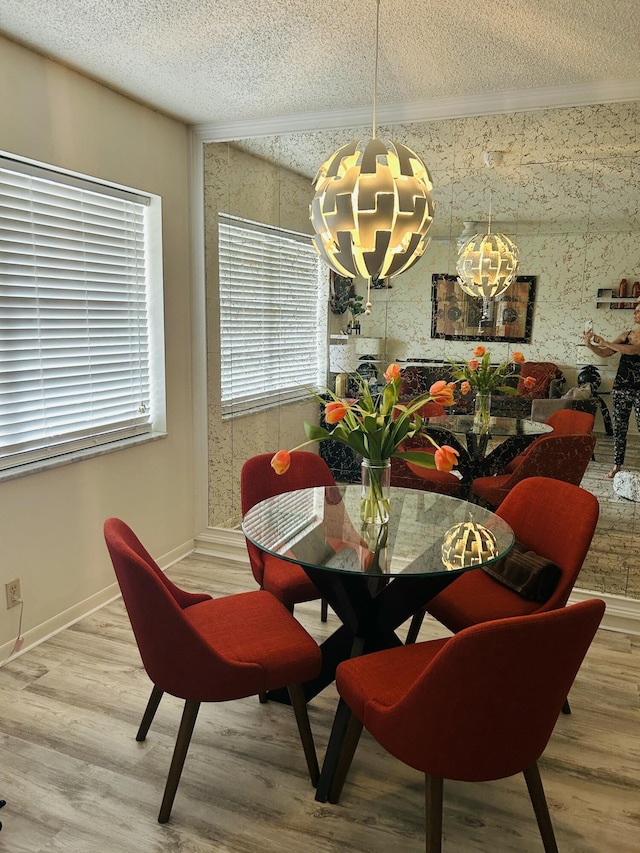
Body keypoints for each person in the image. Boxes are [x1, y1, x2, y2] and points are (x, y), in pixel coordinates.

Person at [583, 301, 640, 478]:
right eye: (635, 310)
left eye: (638, 311)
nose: (634, 313)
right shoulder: (626, 334)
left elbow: (634, 350)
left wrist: (606, 342)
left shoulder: (631, 341)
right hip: (622, 387)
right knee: (619, 428)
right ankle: (617, 466)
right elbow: (607, 353)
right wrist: (591, 345)